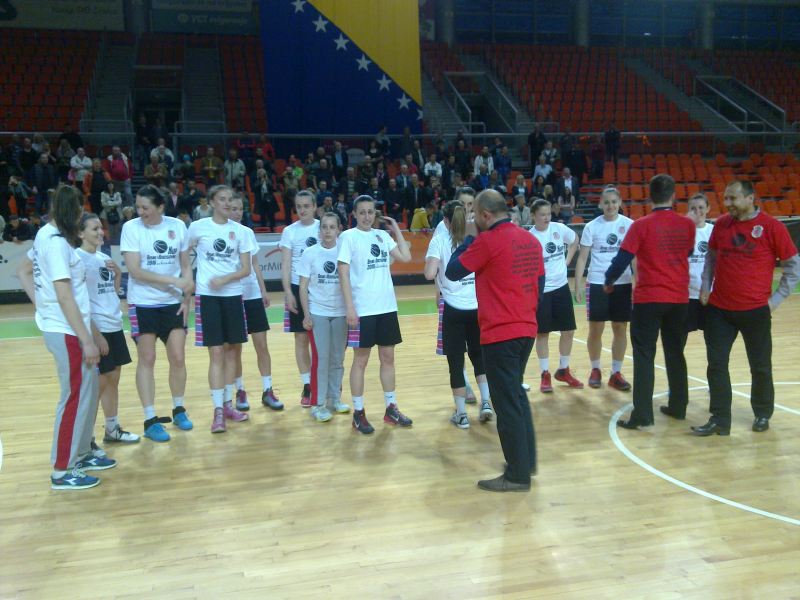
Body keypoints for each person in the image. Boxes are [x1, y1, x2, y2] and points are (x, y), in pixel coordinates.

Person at [445, 189, 545, 492]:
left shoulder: (487, 241)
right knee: (517, 396)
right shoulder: (530, 240)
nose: (473, 218)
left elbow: (453, 271)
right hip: (526, 329)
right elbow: (540, 283)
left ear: (486, 215)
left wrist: (469, 239)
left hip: (500, 333)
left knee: (507, 403)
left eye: (475, 213)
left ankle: (517, 475)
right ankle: (526, 462)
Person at [17, 185, 114, 490]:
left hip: (64, 326)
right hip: (68, 331)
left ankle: (81, 453)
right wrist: (87, 339)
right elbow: (64, 296)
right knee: (74, 396)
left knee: (86, 393)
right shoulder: (56, 244)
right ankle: (62, 470)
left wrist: (42, 306)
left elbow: (23, 270)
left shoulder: (45, 235)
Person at [692, 180, 799, 436]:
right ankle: (720, 419)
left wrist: (774, 301)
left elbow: (793, 267)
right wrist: (705, 285)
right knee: (716, 365)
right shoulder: (721, 225)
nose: (727, 203)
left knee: (760, 366)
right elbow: (711, 259)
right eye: (726, 198)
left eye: (733, 198)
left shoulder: (772, 227)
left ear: (750, 198)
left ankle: (762, 413)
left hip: (756, 311)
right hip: (719, 310)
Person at [606, 174, 695, 429]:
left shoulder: (640, 225)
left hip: (649, 299)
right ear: (673, 196)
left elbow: (622, 259)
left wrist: (609, 279)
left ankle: (643, 415)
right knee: (675, 353)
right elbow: (688, 252)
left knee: (644, 356)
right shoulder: (687, 225)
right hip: (679, 298)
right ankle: (678, 406)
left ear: (649, 196)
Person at [120, 185, 194, 442]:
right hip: (143, 303)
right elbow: (135, 271)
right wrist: (174, 281)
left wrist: (186, 297)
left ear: (161, 207)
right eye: (138, 207)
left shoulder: (178, 226)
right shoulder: (131, 228)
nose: (140, 212)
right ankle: (150, 419)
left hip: (173, 303)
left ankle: (179, 409)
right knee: (147, 359)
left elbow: (186, 265)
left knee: (178, 357)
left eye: (146, 208)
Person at [338, 195, 412, 434]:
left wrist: (396, 228)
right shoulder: (348, 237)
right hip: (363, 310)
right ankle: (358, 412)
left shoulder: (382, 236)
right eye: (362, 212)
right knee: (360, 360)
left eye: (370, 212)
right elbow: (343, 273)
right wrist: (350, 307)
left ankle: (391, 408)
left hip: (386, 307)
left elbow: (406, 257)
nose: (367, 216)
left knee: (388, 358)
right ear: (354, 214)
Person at [188, 186, 252, 433]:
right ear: (212, 202)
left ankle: (227, 405)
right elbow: (184, 254)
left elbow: (245, 269)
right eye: (221, 199)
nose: (226, 203)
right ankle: (217, 411)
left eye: (229, 199)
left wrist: (224, 279)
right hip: (208, 297)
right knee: (216, 353)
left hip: (232, 296)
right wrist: (188, 280)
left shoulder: (240, 231)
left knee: (231, 352)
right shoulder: (198, 227)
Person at [424, 200, 493, 429]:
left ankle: (462, 415)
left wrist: (436, 268)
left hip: (453, 309)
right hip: (477, 307)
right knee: (479, 357)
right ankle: (486, 403)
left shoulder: (439, 240)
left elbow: (429, 273)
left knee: (456, 362)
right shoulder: (476, 239)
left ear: (445, 221)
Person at [76, 213, 139, 443]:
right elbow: (79, 304)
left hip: (114, 325)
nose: (101, 232)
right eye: (94, 229)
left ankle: (112, 429)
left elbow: (109, 292)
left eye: (100, 228)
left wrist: (118, 275)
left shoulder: (103, 258)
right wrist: (96, 336)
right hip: (97, 329)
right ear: (80, 233)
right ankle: (87, 440)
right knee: (98, 385)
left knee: (113, 378)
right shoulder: (77, 260)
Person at [573, 187, 633, 390]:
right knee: (595, 329)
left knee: (620, 327)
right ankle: (595, 369)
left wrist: (637, 282)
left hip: (623, 283)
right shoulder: (592, 227)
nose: (610, 206)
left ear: (620, 202)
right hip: (597, 282)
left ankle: (616, 373)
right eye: (606, 202)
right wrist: (578, 285)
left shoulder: (629, 225)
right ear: (600, 204)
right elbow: (582, 258)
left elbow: (635, 258)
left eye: (614, 201)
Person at [227, 194, 283, 412]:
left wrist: (263, 289)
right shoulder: (220, 233)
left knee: (262, 345)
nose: (236, 213)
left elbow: (255, 264)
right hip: (232, 296)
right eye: (232, 208)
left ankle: (267, 390)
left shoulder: (247, 233)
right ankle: (240, 390)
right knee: (235, 349)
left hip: (252, 295)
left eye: (239, 209)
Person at [297, 213, 351, 422]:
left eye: (332, 227)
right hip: (318, 312)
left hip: (340, 313)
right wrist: (306, 314)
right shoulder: (310, 253)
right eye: (324, 227)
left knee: (337, 359)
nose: (328, 231)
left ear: (338, 229)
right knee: (321, 360)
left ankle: (334, 399)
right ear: (319, 231)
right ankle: (317, 404)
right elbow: (303, 287)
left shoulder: (345, 252)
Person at [528, 199, 582, 393]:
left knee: (568, 331)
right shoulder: (529, 237)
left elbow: (575, 240)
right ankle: (545, 374)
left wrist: (567, 261)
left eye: (549, 214)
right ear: (533, 216)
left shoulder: (559, 228)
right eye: (542, 214)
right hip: (541, 291)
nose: (546, 218)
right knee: (542, 333)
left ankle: (563, 370)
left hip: (561, 287)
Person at [280, 190, 320, 406]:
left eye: (306, 206)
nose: (302, 210)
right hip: (298, 287)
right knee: (301, 338)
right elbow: (286, 264)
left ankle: (323, 381)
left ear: (315, 207)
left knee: (322, 340)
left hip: (321, 288)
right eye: (299, 206)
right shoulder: (289, 231)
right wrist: (288, 291)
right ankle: (307, 385)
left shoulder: (324, 227)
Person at [686, 193, 714, 333]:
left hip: (711, 294)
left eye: (701, 207)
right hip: (686, 295)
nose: (697, 211)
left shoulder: (714, 231)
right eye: (693, 208)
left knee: (713, 338)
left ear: (708, 208)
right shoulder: (681, 232)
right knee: (679, 338)